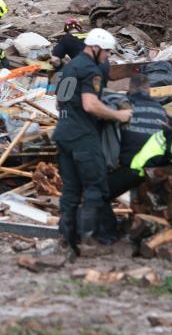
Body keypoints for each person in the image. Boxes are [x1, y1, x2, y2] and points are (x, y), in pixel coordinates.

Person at [54, 28, 132, 258]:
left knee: (70, 189)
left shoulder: (70, 67)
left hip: (63, 132)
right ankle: (90, 241)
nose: (108, 56)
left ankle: (67, 239)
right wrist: (118, 115)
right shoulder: (90, 69)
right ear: (95, 48)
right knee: (95, 186)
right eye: (107, 52)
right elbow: (90, 104)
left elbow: (60, 103)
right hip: (82, 135)